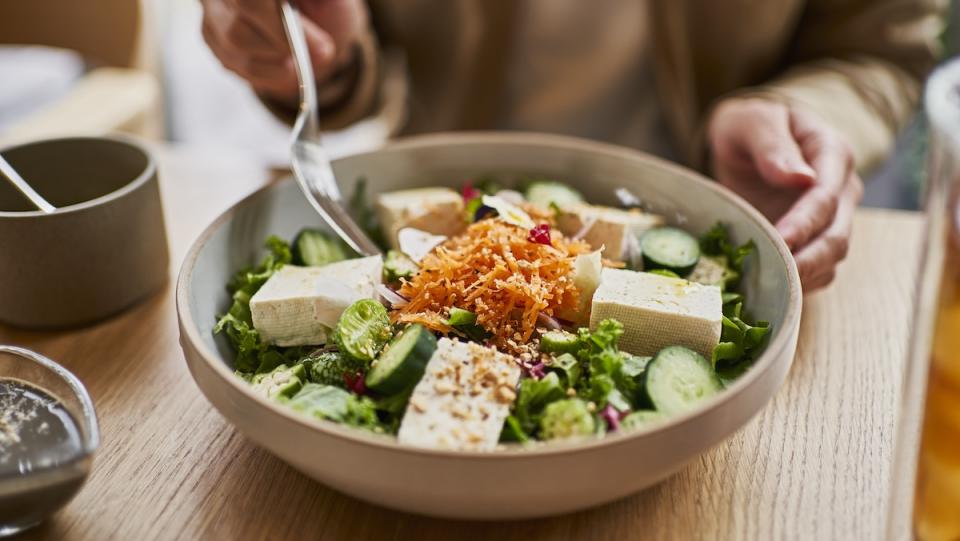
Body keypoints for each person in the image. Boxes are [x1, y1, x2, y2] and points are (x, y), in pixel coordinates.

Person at [200, 0, 946, 290]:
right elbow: (352, 54)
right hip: (436, 193)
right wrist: (314, 51)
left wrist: (793, 112)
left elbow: (879, 47)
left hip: (709, 202)